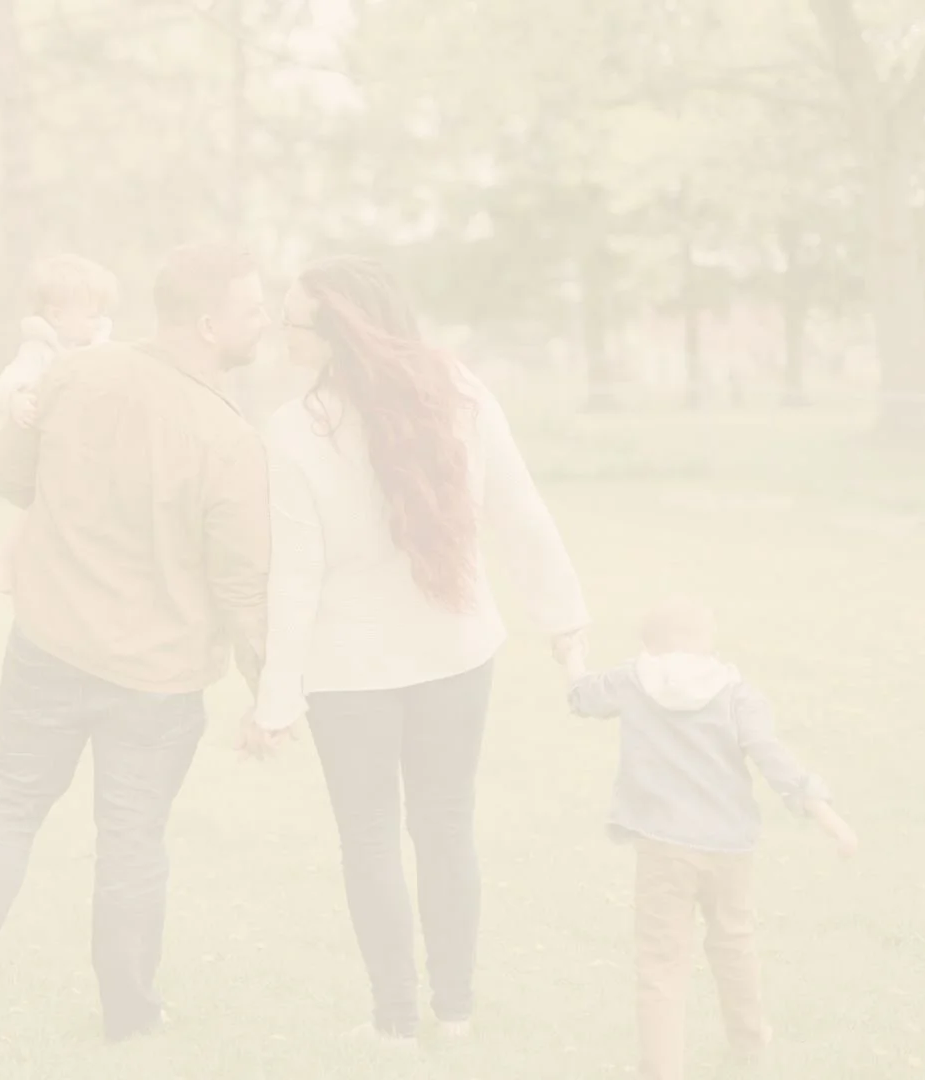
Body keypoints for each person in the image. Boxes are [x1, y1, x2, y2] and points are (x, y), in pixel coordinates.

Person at [0, 242, 274, 1042]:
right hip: (157, 678)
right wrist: (268, 692)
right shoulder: (227, 437)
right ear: (209, 324)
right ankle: (129, 1020)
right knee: (131, 844)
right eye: (253, 309)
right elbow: (242, 586)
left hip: (49, 644)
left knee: (6, 808)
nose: (265, 322)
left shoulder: (77, 374)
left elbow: (8, 477)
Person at [247, 255, 591, 1041]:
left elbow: (296, 575)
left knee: (370, 839)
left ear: (336, 335)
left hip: (351, 671)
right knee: (445, 828)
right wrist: (562, 618)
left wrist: (277, 698)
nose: (281, 332)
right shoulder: (458, 393)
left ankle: (396, 1023)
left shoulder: (295, 429)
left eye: (292, 320)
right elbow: (519, 511)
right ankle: (454, 1014)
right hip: (455, 651)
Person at [565, 595, 859, 1080]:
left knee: (660, 962)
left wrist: (572, 652)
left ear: (650, 644)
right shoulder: (736, 693)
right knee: (734, 943)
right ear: (705, 640)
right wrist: (828, 816)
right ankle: (749, 1041)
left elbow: (582, 697)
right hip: (728, 846)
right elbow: (771, 756)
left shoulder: (634, 679)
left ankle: (662, 1070)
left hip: (663, 847)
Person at [0, 253, 120, 593]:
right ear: (57, 316)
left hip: (91, 449)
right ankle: (10, 563)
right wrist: (17, 398)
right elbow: (10, 380)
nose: (98, 322)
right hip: (52, 451)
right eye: (90, 315)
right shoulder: (39, 351)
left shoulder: (101, 349)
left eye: (99, 314)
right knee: (36, 509)